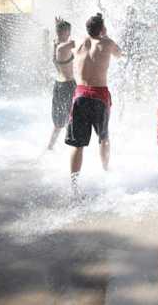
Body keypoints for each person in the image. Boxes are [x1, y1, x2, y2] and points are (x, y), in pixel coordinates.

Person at [65, 12, 123, 194]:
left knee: (77, 144)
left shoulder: (78, 43)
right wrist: (106, 36)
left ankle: (74, 185)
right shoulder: (107, 44)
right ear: (102, 29)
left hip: (80, 95)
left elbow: (66, 48)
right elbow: (120, 54)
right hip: (99, 95)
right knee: (103, 138)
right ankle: (106, 171)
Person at [47, 17, 76, 150]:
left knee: (59, 122)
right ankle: (72, 148)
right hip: (68, 86)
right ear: (67, 33)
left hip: (58, 85)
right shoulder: (66, 46)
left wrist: (58, 27)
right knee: (72, 118)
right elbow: (80, 42)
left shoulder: (56, 44)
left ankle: (50, 147)